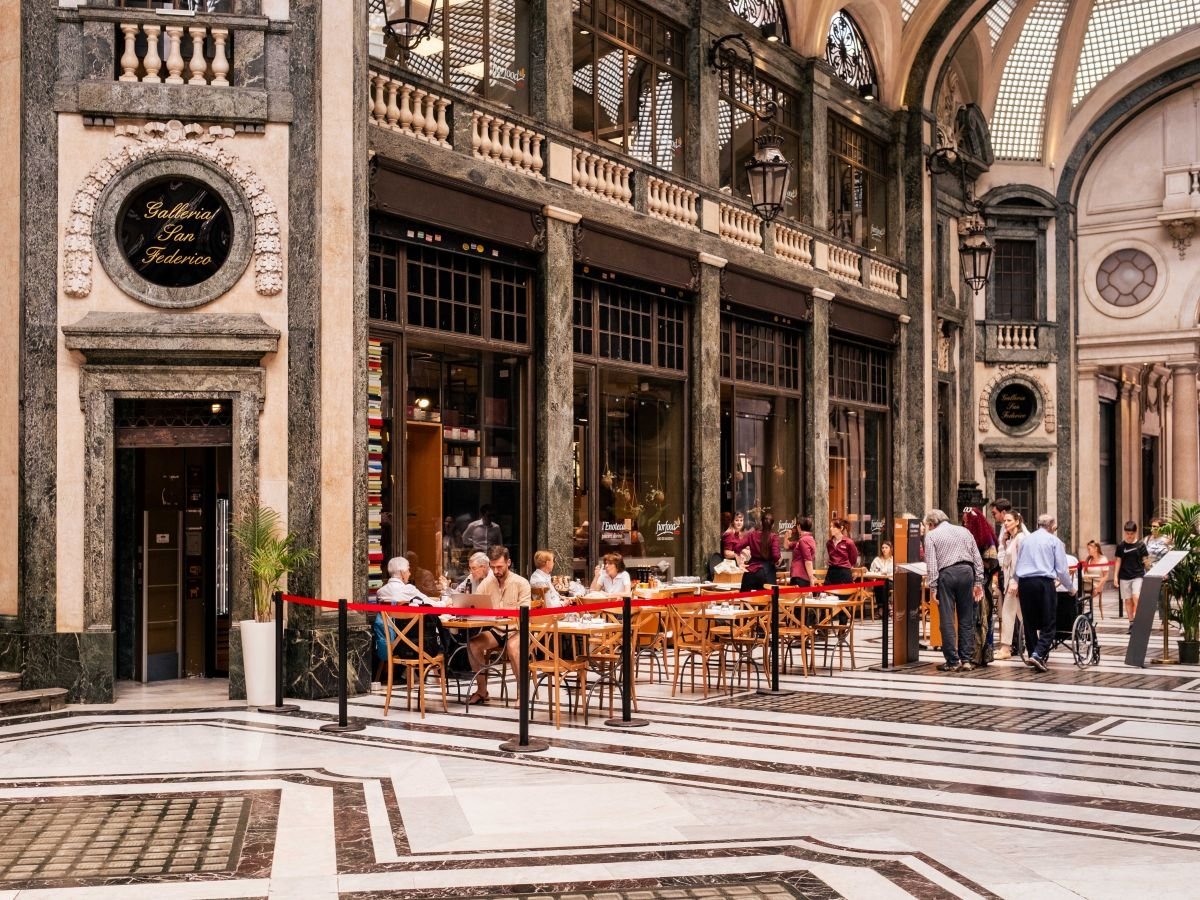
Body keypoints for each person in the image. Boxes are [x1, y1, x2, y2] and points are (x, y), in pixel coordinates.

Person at [465, 545, 530, 705]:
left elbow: (525, 610)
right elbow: (476, 602)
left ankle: (522, 693)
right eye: (493, 567)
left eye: (499, 567)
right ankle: (482, 691)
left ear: (508, 562)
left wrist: (502, 610)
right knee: (473, 644)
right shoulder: (488, 582)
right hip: (497, 630)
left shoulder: (521, 583)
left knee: (513, 647)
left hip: (518, 629)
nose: (496, 571)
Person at [923, 509, 985, 672]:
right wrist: (978, 581)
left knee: (947, 619)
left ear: (931, 524)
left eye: (928, 526)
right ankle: (966, 660)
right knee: (966, 618)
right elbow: (977, 558)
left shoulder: (931, 536)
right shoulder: (964, 531)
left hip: (947, 575)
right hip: (967, 572)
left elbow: (932, 564)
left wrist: (933, 587)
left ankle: (952, 661)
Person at [1012, 513, 1075, 673]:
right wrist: (1070, 588)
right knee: (1049, 622)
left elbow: (1017, 565)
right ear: (1053, 526)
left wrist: (1018, 582)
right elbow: (1062, 569)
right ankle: (1038, 654)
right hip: (1043, 583)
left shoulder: (1026, 540)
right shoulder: (1054, 541)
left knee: (1029, 622)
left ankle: (1034, 653)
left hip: (1025, 582)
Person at [374, 556, 439, 666]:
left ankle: (408, 673)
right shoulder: (408, 590)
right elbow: (434, 606)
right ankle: (432, 670)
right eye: (408, 570)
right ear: (402, 573)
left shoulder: (381, 592)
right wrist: (447, 602)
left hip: (390, 643)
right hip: (410, 646)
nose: (409, 573)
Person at [995, 512, 1026, 659]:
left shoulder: (1020, 538)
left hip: (1015, 583)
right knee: (1022, 615)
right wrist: (1003, 543)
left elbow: (1021, 561)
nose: (1006, 523)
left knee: (1007, 614)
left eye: (1009, 520)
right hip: (1010, 582)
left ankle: (1005, 648)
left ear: (1017, 521)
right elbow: (1004, 562)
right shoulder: (1012, 539)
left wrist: (1016, 581)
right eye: (1005, 521)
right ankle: (1036, 642)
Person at [1114, 521, 1148, 628]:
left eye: (1132, 534)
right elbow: (1118, 561)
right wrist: (1115, 576)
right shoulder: (1121, 546)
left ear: (1135, 533)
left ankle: (1139, 620)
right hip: (1124, 576)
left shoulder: (1140, 545)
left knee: (1136, 596)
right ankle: (1131, 622)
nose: (1129, 536)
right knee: (1128, 600)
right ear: (1125, 533)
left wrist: (1150, 570)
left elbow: (1145, 560)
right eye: (1127, 533)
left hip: (1137, 575)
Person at [740, 512, 780, 591]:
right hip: (767, 573)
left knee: (744, 599)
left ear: (761, 523)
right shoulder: (773, 537)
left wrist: (740, 562)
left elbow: (737, 546)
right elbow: (776, 556)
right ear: (772, 525)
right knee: (769, 600)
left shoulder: (752, 535)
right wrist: (775, 561)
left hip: (750, 571)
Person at [825, 518, 859, 587]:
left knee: (844, 596)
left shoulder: (849, 542)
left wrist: (846, 565)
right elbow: (831, 556)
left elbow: (853, 559)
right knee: (826, 594)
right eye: (830, 526)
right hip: (831, 571)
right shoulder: (829, 543)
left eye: (833, 527)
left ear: (841, 528)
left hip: (844, 572)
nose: (831, 529)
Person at [1081, 540, 1110, 619]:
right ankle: (1080, 609)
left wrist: (1098, 588)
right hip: (1087, 581)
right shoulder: (1088, 559)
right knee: (1078, 586)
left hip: (1097, 583)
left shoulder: (1103, 560)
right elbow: (1082, 571)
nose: (1088, 551)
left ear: (1096, 548)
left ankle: (1083, 610)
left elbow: (1105, 576)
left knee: (1083, 589)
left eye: (1089, 549)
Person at [788, 517, 817, 587]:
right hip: (803, 576)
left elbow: (808, 560)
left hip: (800, 576)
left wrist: (811, 579)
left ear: (799, 526)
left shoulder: (803, 540)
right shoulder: (810, 538)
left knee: (797, 597)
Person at [868, 540, 894, 616]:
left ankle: (881, 607)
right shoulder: (876, 560)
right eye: (883, 548)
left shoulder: (893, 560)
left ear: (890, 549)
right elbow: (871, 571)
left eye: (886, 547)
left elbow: (895, 573)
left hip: (891, 581)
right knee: (879, 583)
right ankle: (887, 606)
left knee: (882, 584)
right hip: (878, 581)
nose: (884, 549)